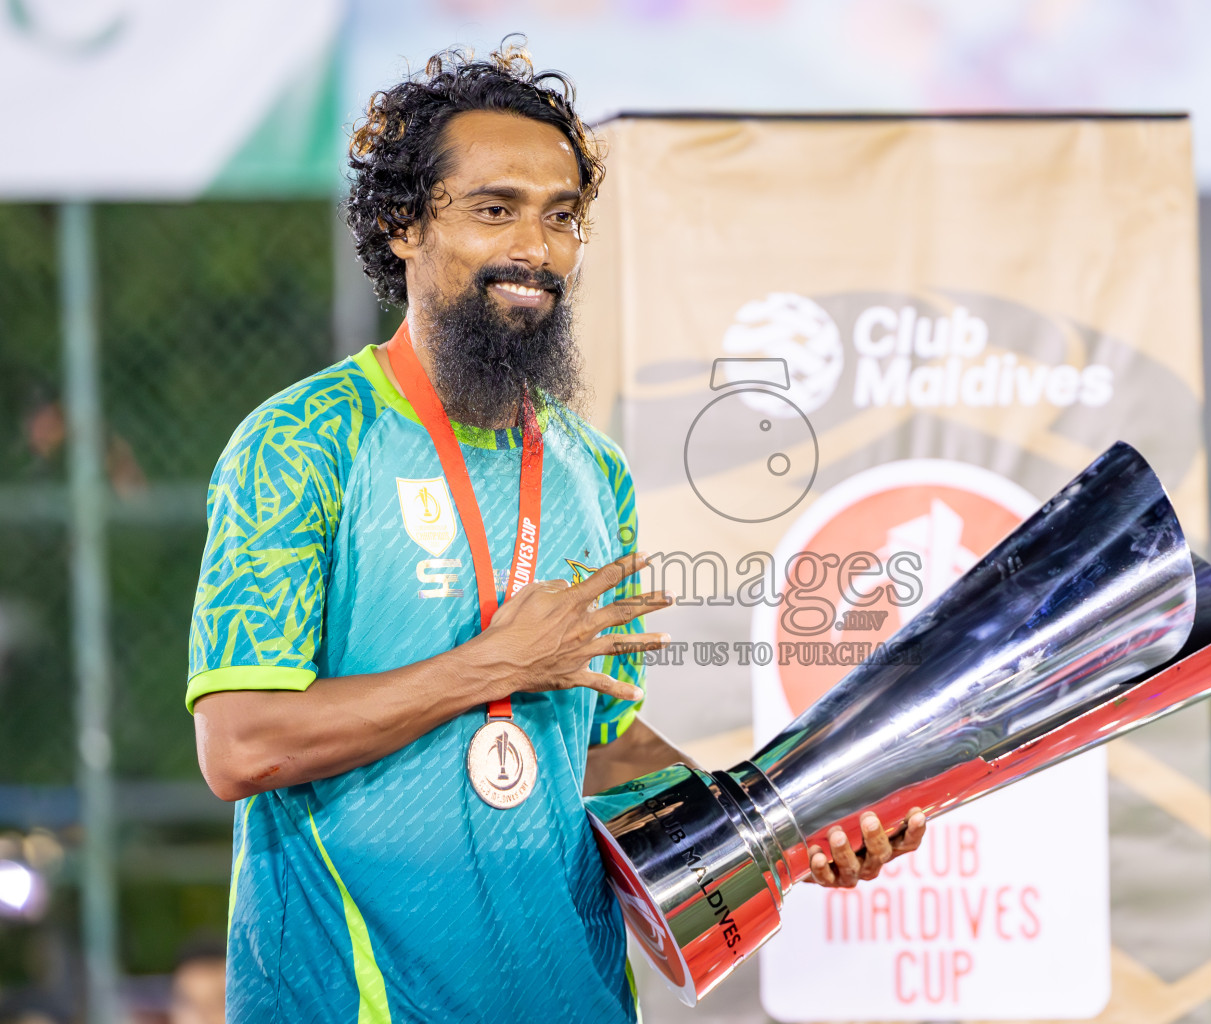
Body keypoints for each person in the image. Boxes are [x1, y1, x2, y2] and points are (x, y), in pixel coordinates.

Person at [187, 41, 926, 1023]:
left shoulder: (590, 469)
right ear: (404, 225)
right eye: (496, 209)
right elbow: (241, 744)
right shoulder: (300, 442)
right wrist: (493, 663)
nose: (536, 244)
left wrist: (788, 827)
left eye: (562, 215)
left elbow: (601, 750)